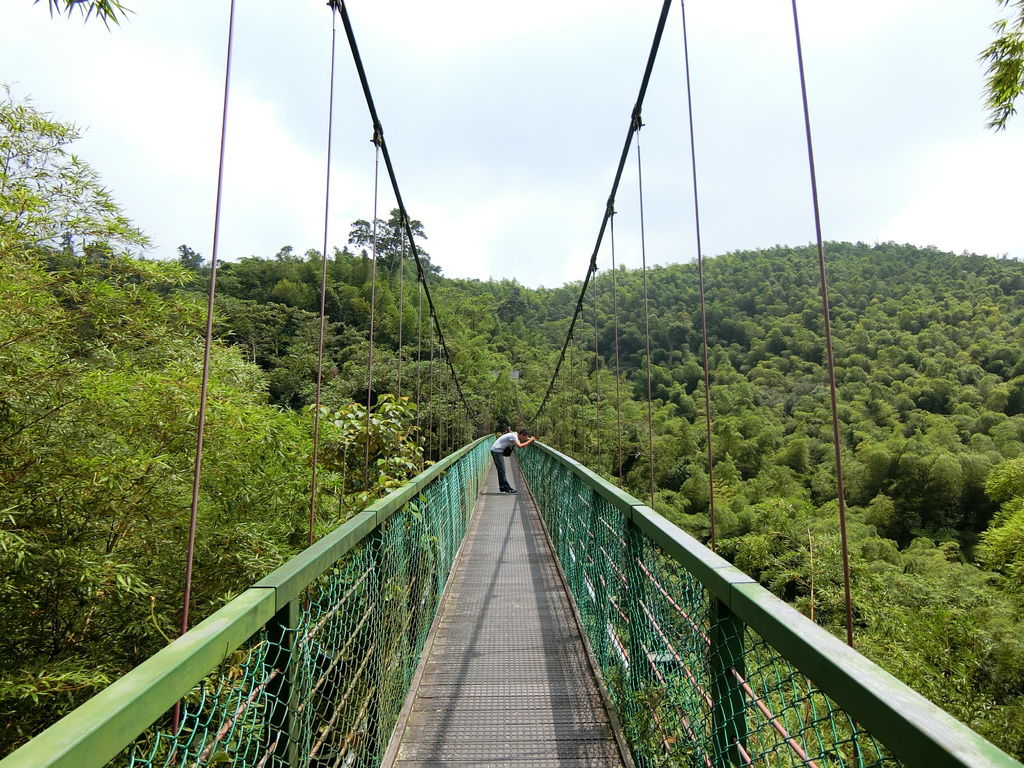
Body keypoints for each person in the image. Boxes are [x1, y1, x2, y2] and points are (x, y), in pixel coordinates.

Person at [489, 429, 536, 494]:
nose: (524, 439)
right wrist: (530, 440)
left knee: (501, 470)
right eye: (524, 437)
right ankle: (506, 488)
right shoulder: (514, 436)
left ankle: (503, 487)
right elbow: (520, 446)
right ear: (521, 435)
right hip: (496, 451)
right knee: (501, 470)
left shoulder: (514, 435)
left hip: (498, 451)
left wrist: (528, 440)